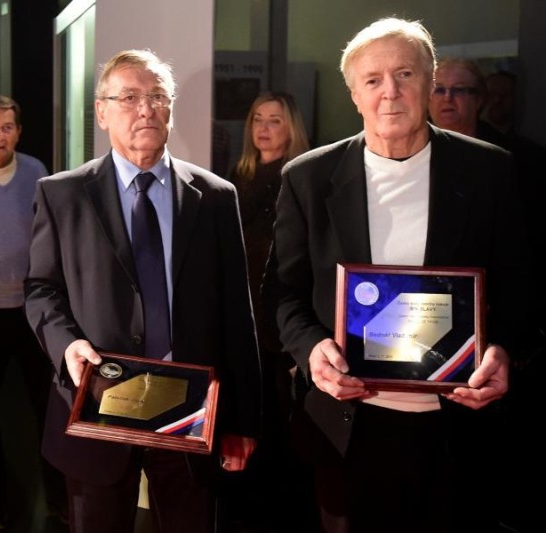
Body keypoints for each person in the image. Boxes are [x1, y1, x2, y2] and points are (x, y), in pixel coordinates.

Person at [272, 17, 528, 532]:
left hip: (456, 429)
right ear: (354, 94)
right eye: (373, 80)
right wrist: (311, 349)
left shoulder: (491, 172)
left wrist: (504, 351)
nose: (390, 92)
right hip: (347, 428)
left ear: (429, 83)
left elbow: (524, 292)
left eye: (405, 74)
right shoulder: (308, 177)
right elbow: (284, 294)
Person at [24, 49, 261, 532]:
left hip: (191, 410)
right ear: (102, 111)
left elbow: (239, 315)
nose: (146, 109)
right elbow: (41, 289)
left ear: (171, 109)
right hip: (99, 404)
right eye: (129, 97)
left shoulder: (215, 196)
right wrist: (67, 345)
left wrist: (241, 421)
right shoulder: (63, 194)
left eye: (157, 97)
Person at [0, 93, 65, 530]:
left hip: (31, 309)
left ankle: (60, 502)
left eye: (7, 127)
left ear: (18, 132)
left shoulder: (36, 172)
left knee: (50, 409)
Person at [226, 91, 311, 530]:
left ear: (290, 127)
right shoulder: (236, 177)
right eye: (257, 118)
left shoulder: (300, 177)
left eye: (274, 120)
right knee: (245, 406)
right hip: (240, 310)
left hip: (278, 314)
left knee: (281, 413)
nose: (263, 128)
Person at [428, 57, 506, 145]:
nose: (447, 98)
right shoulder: (414, 146)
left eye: (458, 90)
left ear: (478, 100)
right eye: (439, 90)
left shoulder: (503, 151)